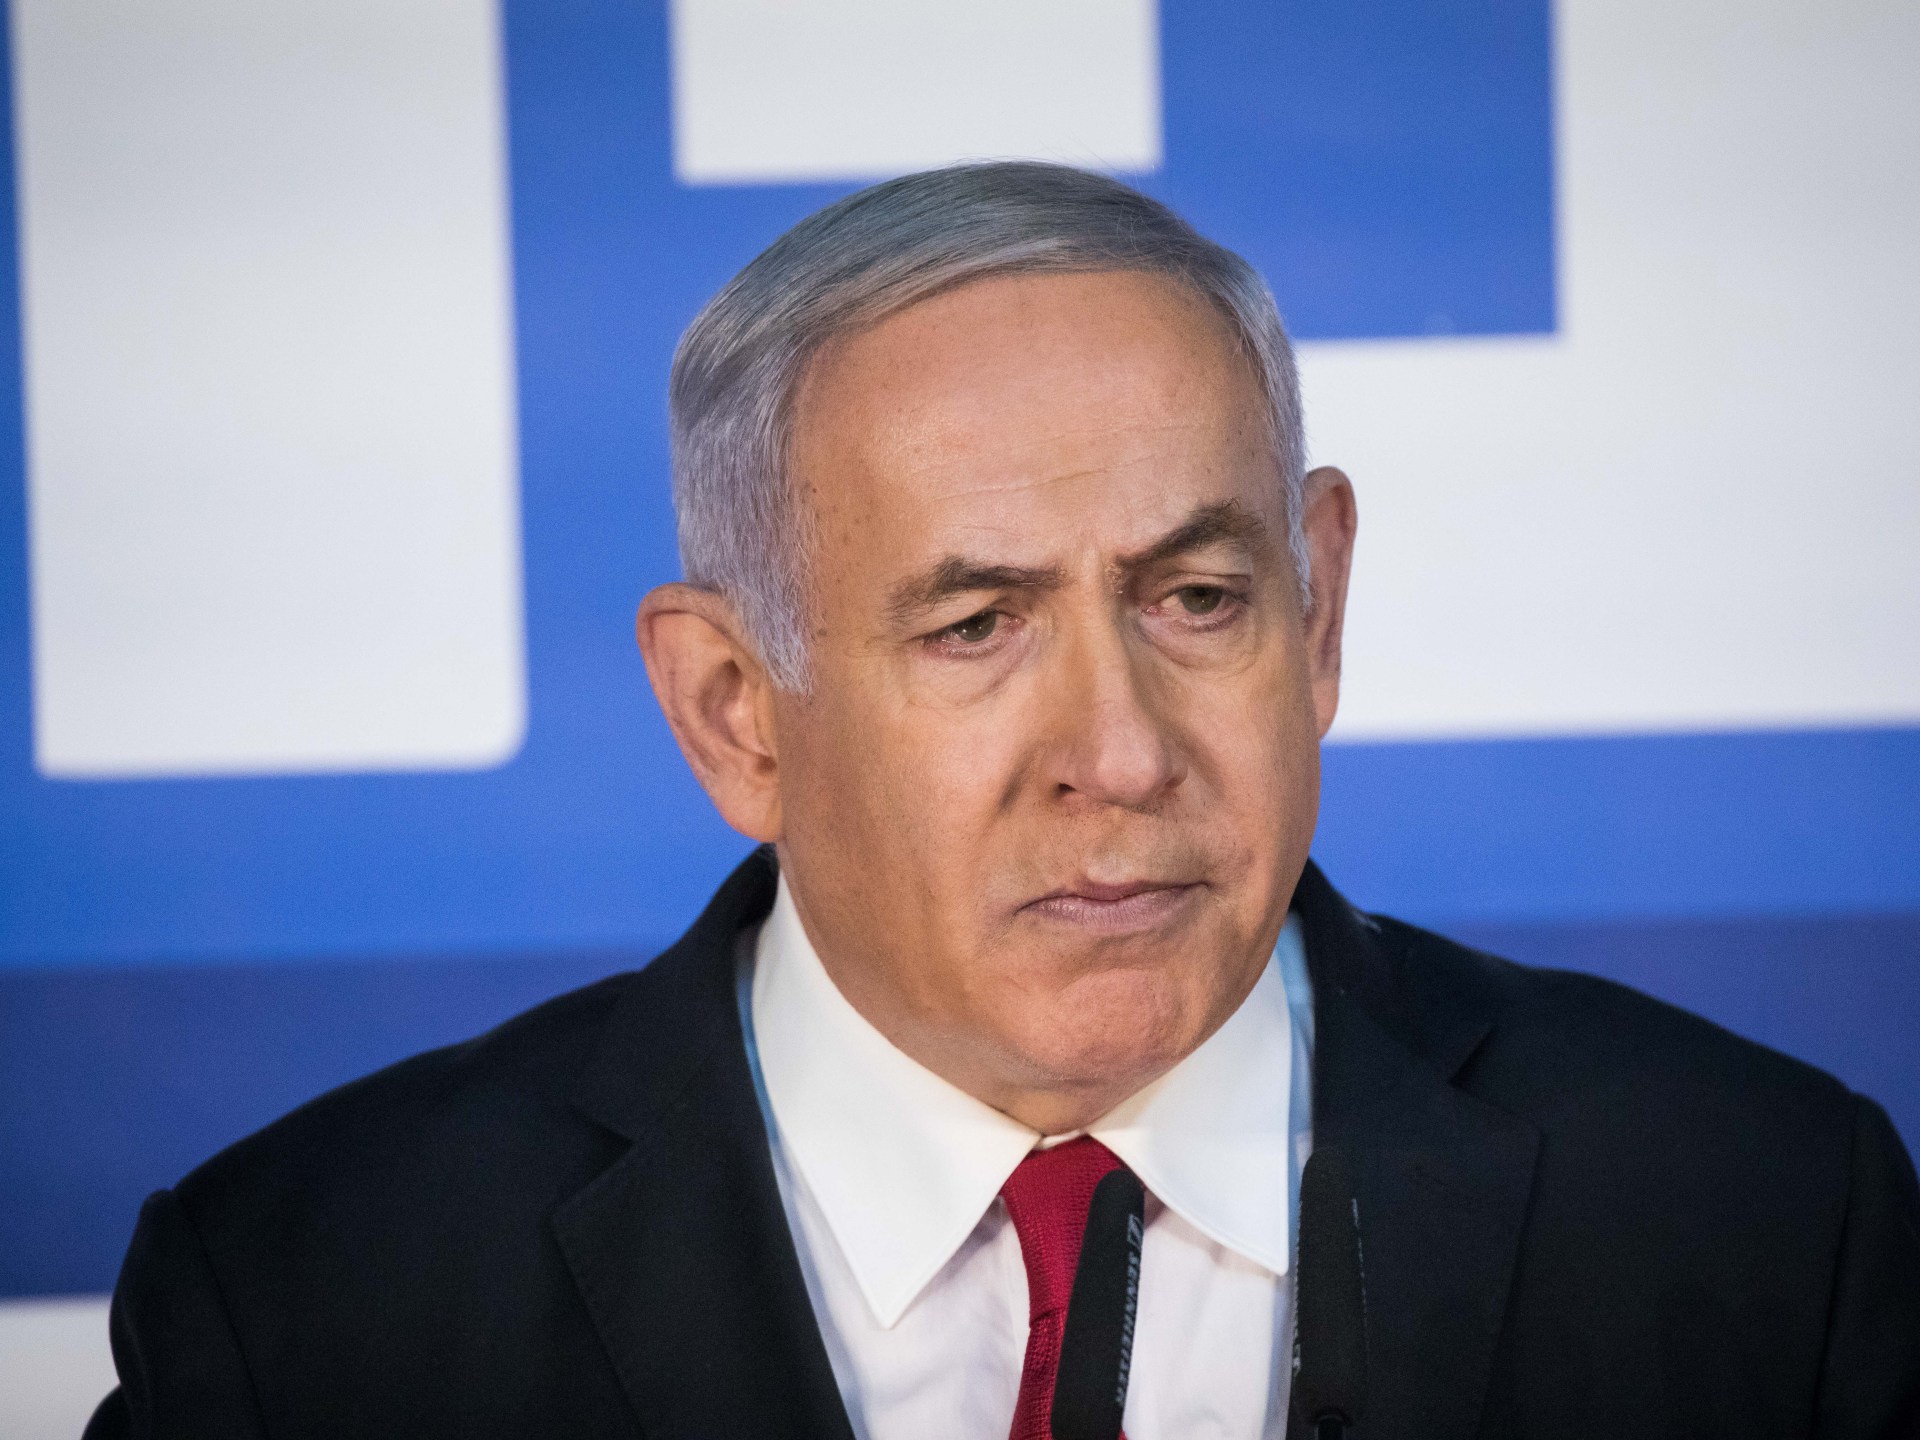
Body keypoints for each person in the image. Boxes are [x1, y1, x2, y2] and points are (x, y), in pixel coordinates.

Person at [87, 163, 1919, 1440]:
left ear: (1321, 610)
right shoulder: (310, 1307)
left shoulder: (1762, 1222)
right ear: (735, 715)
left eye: (1198, 598)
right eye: (975, 627)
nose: (1120, 751)